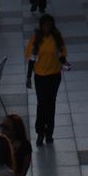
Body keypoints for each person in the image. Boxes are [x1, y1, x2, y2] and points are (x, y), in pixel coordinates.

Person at [25, 13, 69, 146]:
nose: (47, 27)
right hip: (40, 77)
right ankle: (40, 133)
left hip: (54, 76)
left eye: (49, 25)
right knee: (41, 104)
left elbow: (61, 55)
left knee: (51, 104)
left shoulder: (57, 38)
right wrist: (28, 77)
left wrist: (66, 64)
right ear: (41, 26)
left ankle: (49, 133)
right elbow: (32, 60)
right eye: (45, 25)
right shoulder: (36, 39)